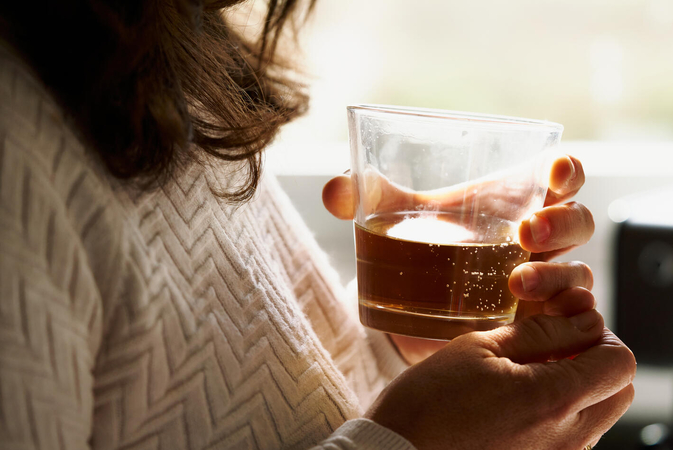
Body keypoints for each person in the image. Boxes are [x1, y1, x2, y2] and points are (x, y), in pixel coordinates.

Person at [0, 0, 635, 449]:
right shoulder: (19, 144)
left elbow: (240, 404)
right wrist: (420, 443)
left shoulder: (153, 61)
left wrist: (408, 354)